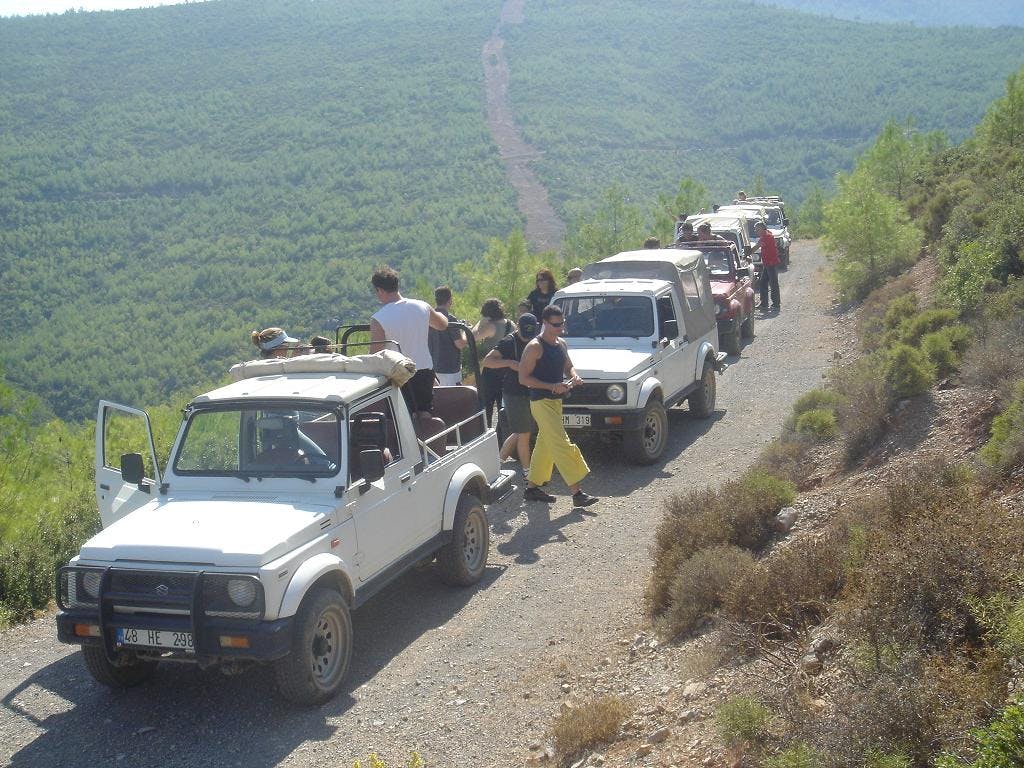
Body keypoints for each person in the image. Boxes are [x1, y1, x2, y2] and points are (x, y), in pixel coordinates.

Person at [518, 305, 599, 507]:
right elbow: (523, 378)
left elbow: (568, 365)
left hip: (556, 402)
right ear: (544, 323)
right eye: (556, 325)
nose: (560, 328)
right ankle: (577, 493)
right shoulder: (534, 347)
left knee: (546, 444)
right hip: (540, 402)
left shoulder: (561, 343)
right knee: (561, 443)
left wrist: (574, 376)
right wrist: (551, 386)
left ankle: (532, 488)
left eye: (562, 323)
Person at [369, 266, 449, 415]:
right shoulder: (422, 306)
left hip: (397, 373)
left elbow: (375, 354)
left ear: (380, 290)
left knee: (400, 417)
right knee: (424, 413)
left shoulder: (379, 319)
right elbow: (442, 324)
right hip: (424, 370)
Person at [482, 312, 539, 470]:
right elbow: (487, 361)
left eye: (531, 333)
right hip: (514, 392)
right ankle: (528, 473)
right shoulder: (508, 341)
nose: (527, 338)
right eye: (524, 333)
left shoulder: (538, 339)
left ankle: (498, 462)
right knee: (524, 432)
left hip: (533, 390)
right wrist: (510, 363)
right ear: (517, 327)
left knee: (522, 431)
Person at [472, 298, 514, 426]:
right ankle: (504, 432)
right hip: (508, 369)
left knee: (487, 405)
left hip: (491, 370)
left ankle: (489, 432)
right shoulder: (510, 324)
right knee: (504, 404)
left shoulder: (491, 327)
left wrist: (479, 323)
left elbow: (472, 337)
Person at [428, 285, 468, 386]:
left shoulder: (428, 318)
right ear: (450, 300)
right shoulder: (450, 319)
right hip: (449, 369)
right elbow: (460, 344)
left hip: (432, 366)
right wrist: (465, 331)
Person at [755, 221, 781, 311]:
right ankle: (765, 303)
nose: (756, 231)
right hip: (768, 264)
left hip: (771, 263)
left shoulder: (766, 237)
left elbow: (756, 247)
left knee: (773, 284)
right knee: (763, 283)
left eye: (757, 229)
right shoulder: (767, 235)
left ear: (763, 229)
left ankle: (776, 304)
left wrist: (747, 253)